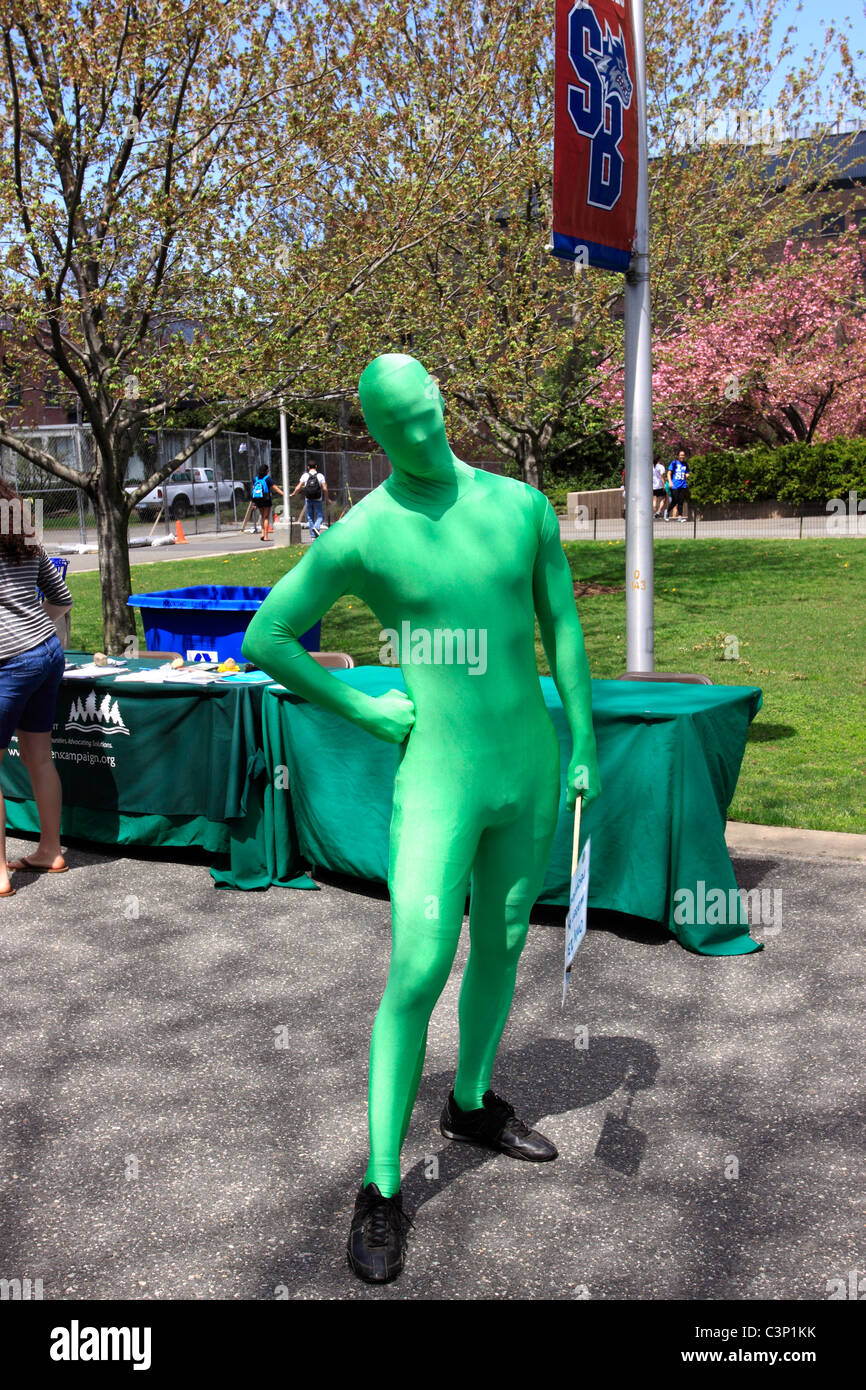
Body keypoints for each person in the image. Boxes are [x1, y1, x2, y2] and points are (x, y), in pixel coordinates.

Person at [242, 354, 601, 1284]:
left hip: (527, 767)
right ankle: (381, 1187)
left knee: (506, 941)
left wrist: (585, 740)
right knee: (417, 966)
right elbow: (267, 636)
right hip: (438, 779)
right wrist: (362, 708)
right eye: (405, 425)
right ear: (375, 433)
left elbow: (561, 619)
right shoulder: (364, 533)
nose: (429, 434)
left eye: (434, 412)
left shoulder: (522, 504)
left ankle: (472, 1100)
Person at [0, 480, 73, 896]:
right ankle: (50, 850)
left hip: (9, 661)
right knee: (38, 757)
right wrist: (28, 626)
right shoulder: (25, 540)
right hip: (46, 651)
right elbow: (61, 599)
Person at [290, 464, 329, 538]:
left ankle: (312, 536)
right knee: (320, 516)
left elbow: (299, 486)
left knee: (310, 517)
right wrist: (327, 498)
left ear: (308, 467)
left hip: (308, 499)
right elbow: (324, 488)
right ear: (316, 466)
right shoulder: (320, 476)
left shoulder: (305, 475)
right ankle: (316, 527)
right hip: (318, 499)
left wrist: (293, 493)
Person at [250, 463, 283, 542]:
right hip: (266, 499)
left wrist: (253, 502)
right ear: (266, 470)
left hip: (258, 499)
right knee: (266, 517)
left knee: (262, 516)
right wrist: (284, 494)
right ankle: (265, 536)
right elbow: (275, 488)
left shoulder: (256, 479)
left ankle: (262, 533)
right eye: (268, 469)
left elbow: (253, 490)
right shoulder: (268, 479)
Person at [667, 449, 690, 522]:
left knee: (681, 501)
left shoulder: (685, 464)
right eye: (681, 455)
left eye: (683, 455)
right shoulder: (674, 463)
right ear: (678, 456)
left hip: (683, 485)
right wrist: (670, 482)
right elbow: (668, 473)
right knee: (675, 500)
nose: (682, 456)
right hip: (674, 485)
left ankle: (680, 516)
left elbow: (687, 472)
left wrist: (687, 475)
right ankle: (667, 511)